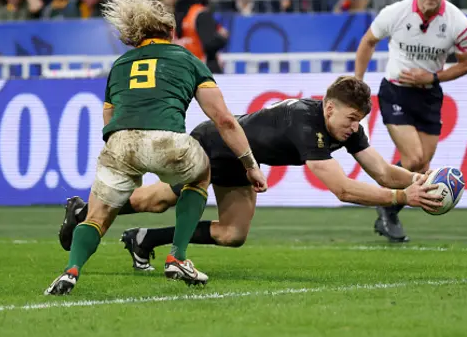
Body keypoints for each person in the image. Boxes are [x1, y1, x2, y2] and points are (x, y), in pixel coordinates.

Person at [59, 77, 444, 271]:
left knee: (233, 235)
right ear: (328, 108)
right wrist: (400, 200)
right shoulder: (305, 124)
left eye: (360, 120)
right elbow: (342, 190)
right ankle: (84, 214)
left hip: (244, 163)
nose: (354, 126)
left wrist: (415, 182)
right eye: (350, 118)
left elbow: (380, 171)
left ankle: (142, 239)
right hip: (214, 144)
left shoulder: (347, 127)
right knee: (160, 199)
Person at [45, 0, 267, 295]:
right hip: (167, 140)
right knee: (201, 174)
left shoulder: (120, 64)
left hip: (120, 142)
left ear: (136, 35)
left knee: (97, 215)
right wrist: (250, 165)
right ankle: (177, 256)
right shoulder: (187, 58)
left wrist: (121, 153)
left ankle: (71, 270)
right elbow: (224, 120)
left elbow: (109, 119)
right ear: (171, 31)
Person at [354, 0, 467, 243]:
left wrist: (432, 76)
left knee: (422, 167)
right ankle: (388, 205)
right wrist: (358, 82)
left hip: (430, 94)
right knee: (414, 159)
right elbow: (368, 42)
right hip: (395, 92)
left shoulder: (457, 22)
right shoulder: (396, 13)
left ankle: (388, 208)